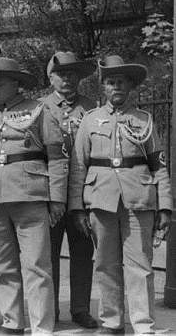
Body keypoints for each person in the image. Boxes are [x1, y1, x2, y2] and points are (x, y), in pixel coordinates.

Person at [68, 55, 172, 334]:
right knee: (105, 263)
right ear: (103, 87)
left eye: (122, 82)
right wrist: (77, 207)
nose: (117, 87)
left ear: (131, 87)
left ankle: (143, 325)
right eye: (111, 82)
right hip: (100, 199)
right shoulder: (90, 121)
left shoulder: (145, 121)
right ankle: (112, 322)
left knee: (140, 265)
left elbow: (159, 166)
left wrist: (165, 207)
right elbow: (78, 167)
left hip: (139, 199)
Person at [0, 56, 68, 334]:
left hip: (30, 196)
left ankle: (41, 326)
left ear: (17, 83)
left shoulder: (40, 111)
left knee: (37, 265)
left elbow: (57, 157)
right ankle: (11, 322)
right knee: (1, 266)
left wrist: (57, 198)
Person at [40, 51, 98, 328]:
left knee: (82, 253)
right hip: (49, 193)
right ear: (51, 77)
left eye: (72, 74)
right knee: (47, 255)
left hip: (84, 192)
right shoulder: (39, 108)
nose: (67, 79)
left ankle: (80, 308)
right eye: (61, 74)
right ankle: (49, 310)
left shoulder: (91, 108)